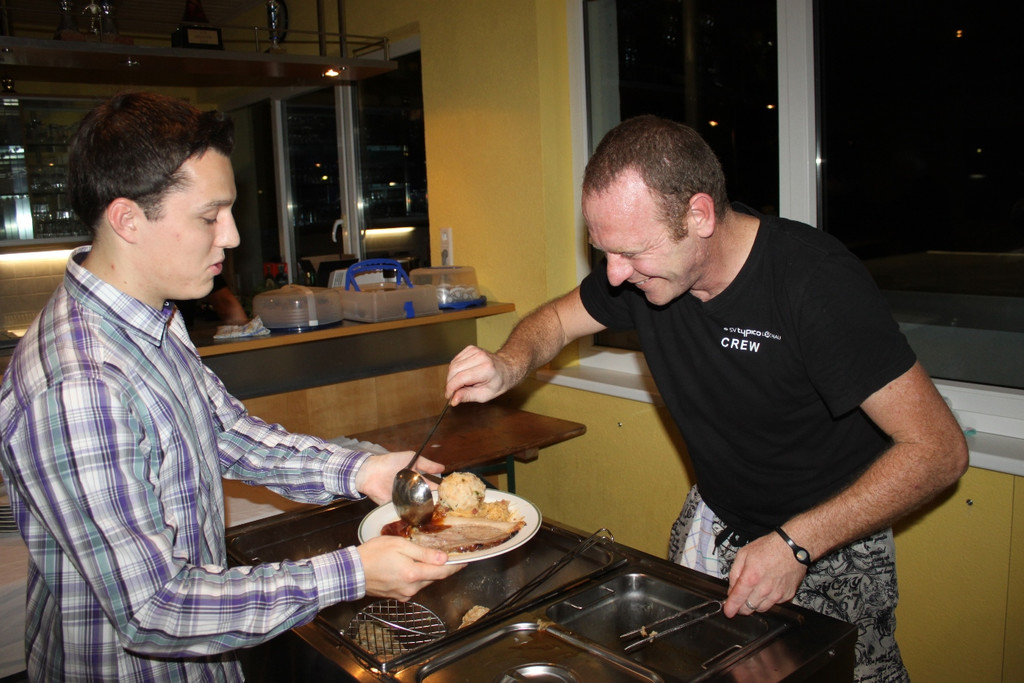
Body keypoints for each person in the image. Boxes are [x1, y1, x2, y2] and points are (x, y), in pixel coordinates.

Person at [445, 115, 968, 682]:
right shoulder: (647, 276)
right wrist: (509, 362)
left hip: (828, 539)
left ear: (699, 215)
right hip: (718, 521)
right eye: (604, 251)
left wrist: (796, 544)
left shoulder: (814, 283)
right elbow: (554, 320)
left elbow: (939, 450)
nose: (615, 276)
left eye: (631, 252)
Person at [0, 92, 461, 682]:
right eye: (209, 215)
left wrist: (359, 471)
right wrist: (352, 573)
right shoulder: (78, 384)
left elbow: (228, 433)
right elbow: (154, 611)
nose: (235, 236)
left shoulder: (153, 320)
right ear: (128, 219)